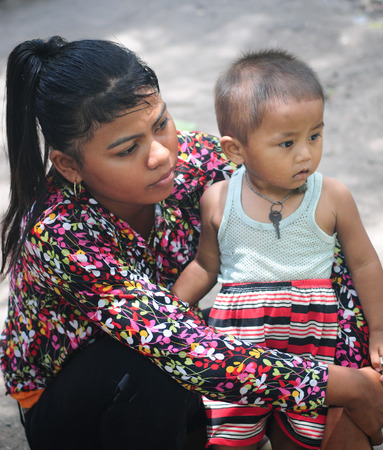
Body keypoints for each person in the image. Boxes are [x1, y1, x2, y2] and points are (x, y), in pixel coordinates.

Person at [0, 37, 382, 450]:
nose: (161, 155)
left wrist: (361, 359)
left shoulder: (197, 161)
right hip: (85, 404)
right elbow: (179, 347)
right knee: (154, 363)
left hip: (181, 364)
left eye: (161, 124)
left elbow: (326, 246)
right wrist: (343, 386)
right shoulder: (59, 233)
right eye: (128, 149)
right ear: (69, 164)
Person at [171, 49, 383, 450]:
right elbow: (205, 266)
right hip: (239, 347)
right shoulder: (219, 199)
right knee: (232, 439)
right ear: (235, 150)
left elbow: (365, 263)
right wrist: (170, 315)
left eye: (315, 135)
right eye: (286, 143)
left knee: (307, 438)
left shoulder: (332, 196)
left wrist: (380, 327)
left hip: (313, 342)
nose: (305, 153)